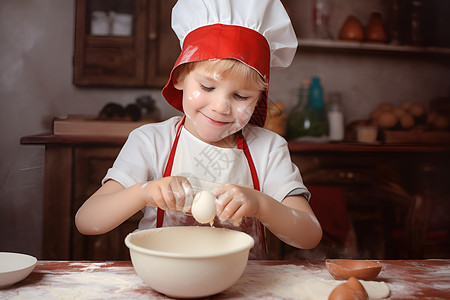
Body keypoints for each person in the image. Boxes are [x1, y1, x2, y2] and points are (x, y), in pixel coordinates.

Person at [75, 0, 322, 259]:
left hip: (245, 284)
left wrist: (261, 204)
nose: (221, 107)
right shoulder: (150, 142)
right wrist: (144, 192)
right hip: (165, 280)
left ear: (259, 98)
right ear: (180, 77)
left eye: (240, 96)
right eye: (206, 87)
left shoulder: (268, 149)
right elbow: (88, 220)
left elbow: (309, 235)